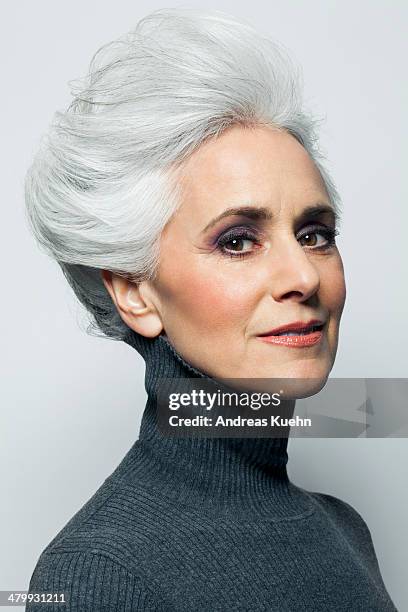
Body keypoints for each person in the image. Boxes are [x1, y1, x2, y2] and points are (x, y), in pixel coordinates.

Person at [24, 8, 397, 611]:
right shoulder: (95, 576)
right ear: (135, 292)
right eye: (237, 240)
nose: (303, 276)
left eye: (315, 234)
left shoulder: (344, 529)